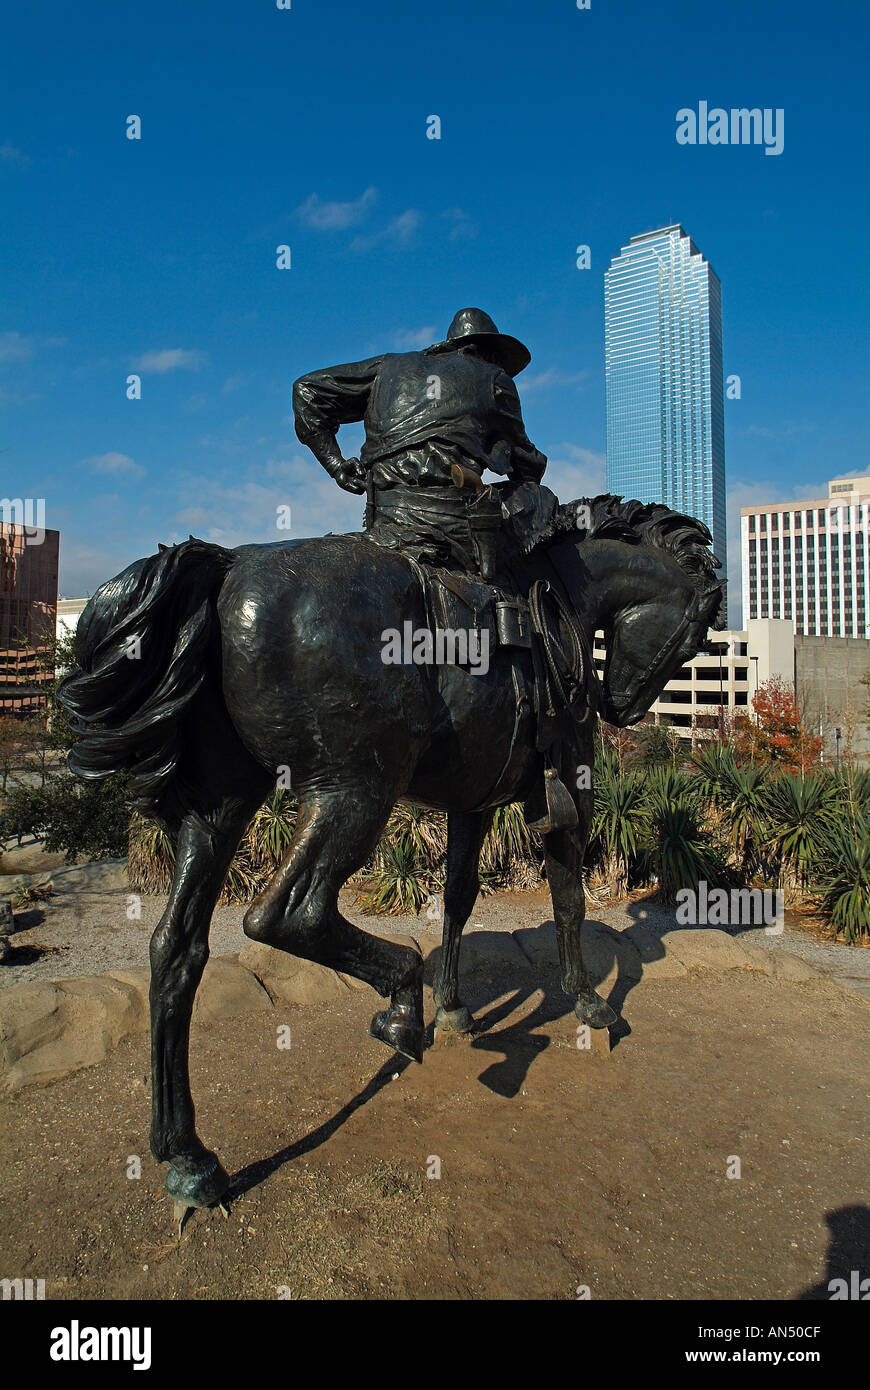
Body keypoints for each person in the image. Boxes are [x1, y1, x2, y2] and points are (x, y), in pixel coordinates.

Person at [292, 308, 549, 580]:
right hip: (450, 523)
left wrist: (336, 465)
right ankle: (506, 590)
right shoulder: (495, 379)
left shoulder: (388, 367)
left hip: (384, 518)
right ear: (489, 351)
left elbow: (306, 390)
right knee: (540, 498)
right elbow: (526, 464)